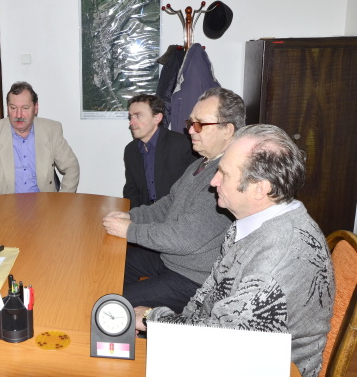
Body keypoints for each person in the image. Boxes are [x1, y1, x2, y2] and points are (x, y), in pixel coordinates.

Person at [134, 124, 334, 377]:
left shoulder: (275, 261)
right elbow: (210, 294)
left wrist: (153, 318)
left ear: (260, 188)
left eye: (224, 174)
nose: (213, 181)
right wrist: (170, 323)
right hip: (226, 343)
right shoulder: (253, 222)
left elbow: (225, 344)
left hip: (265, 367)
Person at [102, 87, 245, 313]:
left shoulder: (229, 176)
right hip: (171, 258)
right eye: (191, 123)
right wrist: (130, 216)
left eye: (200, 124)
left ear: (227, 130)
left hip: (192, 277)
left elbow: (183, 238)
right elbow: (168, 204)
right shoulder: (201, 163)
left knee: (110, 304)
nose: (190, 130)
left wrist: (130, 230)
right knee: (110, 263)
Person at [0, 81, 80, 204]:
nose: (18, 115)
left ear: (35, 108)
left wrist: (62, 201)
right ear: (7, 109)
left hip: (44, 205)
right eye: (13, 108)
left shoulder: (51, 130)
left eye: (25, 108)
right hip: (7, 206)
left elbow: (71, 166)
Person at [123, 94, 196, 207]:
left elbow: (195, 188)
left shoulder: (183, 144)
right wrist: (135, 214)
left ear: (157, 118)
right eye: (131, 116)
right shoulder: (131, 150)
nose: (132, 122)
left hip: (177, 212)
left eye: (138, 116)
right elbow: (131, 190)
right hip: (145, 213)